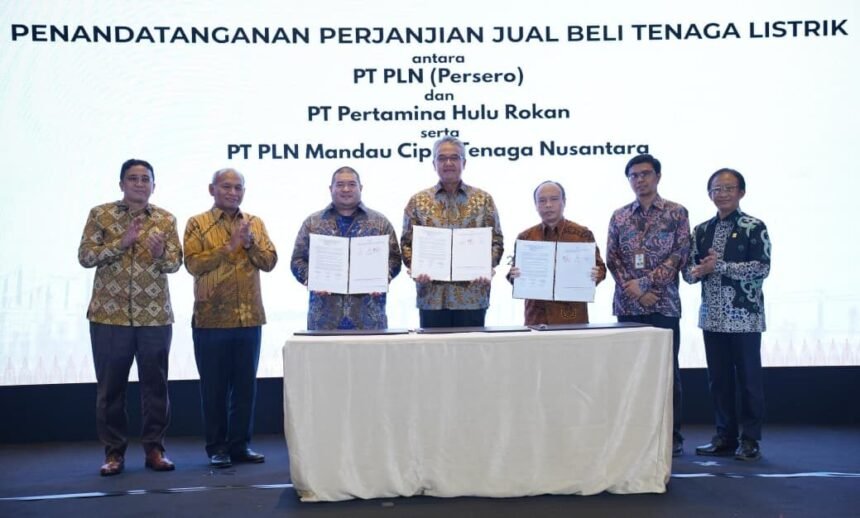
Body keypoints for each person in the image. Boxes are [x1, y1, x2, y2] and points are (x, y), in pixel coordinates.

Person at [78, 158, 182, 476]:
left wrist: (159, 254)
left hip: (155, 316)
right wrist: (120, 244)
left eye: (145, 179)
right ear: (121, 183)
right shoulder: (101, 214)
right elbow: (85, 256)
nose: (139, 184)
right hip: (109, 316)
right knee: (111, 389)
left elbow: (175, 263)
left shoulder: (165, 219)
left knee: (156, 387)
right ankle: (114, 453)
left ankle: (155, 449)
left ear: (153, 185)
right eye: (133, 178)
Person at [184, 168, 277, 468]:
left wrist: (249, 244)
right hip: (211, 319)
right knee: (214, 389)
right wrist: (229, 247)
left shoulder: (255, 222)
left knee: (245, 388)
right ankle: (217, 447)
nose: (232, 192)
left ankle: (240, 445)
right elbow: (193, 264)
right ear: (212, 189)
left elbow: (270, 261)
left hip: (249, 318)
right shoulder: (197, 223)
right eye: (226, 186)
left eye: (238, 188)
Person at [606, 153, 690, 457]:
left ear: (658, 176)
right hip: (628, 306)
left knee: (667, 373)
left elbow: (680, 254)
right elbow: (613, 258)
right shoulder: (619, 216)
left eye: (645, 174)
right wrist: (636, 291)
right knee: (631, 373)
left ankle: (671, 434)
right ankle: (634, 433)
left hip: (663, 303)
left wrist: (646, 285)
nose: (640, 180)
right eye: (634, 175)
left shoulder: (676, 213)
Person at [684, 168, 770, 461]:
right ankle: (724, 436)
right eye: (716, 189)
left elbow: (761, 268)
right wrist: (698, 271)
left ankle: (750, 439)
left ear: (741, 192)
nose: (722, 194)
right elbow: (688, 272)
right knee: (719, 381)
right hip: (712, 317)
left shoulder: (753, 226)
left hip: (745, 317)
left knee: (749, 381)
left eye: (728, 188)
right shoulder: (701, 230)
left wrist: (718, 266)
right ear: (709, 194)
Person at [401, 136, 504, 328]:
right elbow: (407, 243)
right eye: (442, 158)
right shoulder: (418, 201)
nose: (448, 163)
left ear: (464, 162)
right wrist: (416, 268)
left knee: (472, 348)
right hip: (432, 297)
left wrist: (485, 266)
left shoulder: (483, 200)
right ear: (434, 164)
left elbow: (496, 241)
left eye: (454, 157)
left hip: (472, 295)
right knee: (433, 348)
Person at [290, 166, 402, 329]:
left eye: (351, 184)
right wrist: (312, 279)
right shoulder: (313, 223)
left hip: (369, 317)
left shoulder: (380, 222)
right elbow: (297, 260)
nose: (346, 189)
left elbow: (394, 259)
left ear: (361, 188)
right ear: (331, 188)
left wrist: (383, 277)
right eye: (340, 185)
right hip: (324, 318)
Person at [507, 181, 606, 324]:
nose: (548, 205)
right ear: (536, 205)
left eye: (554, 199)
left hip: (572, 315)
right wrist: (514, 276)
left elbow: (601, 268)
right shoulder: (526, 237)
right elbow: (515, 275)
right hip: (536, 316)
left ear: (564, 202)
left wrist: (596, 274)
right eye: (542, 200)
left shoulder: (581, 234)